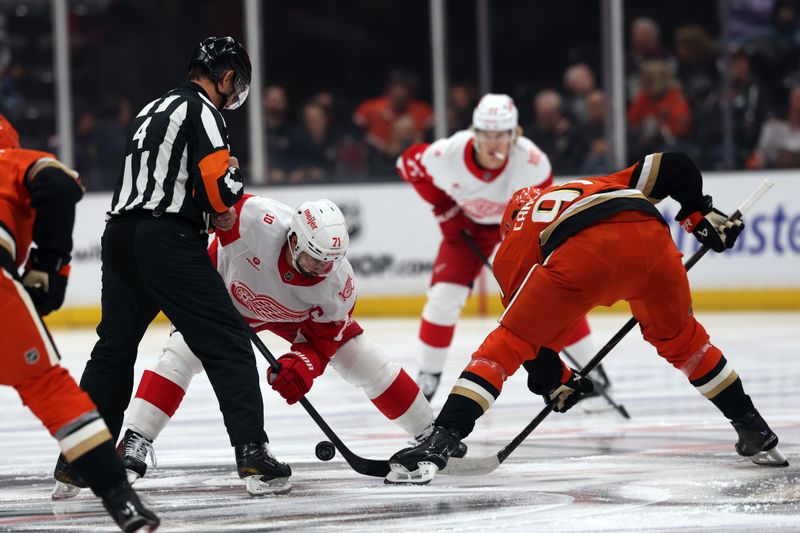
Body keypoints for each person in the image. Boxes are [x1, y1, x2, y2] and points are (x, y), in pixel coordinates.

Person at [387, 151, 788, 484]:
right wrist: (698, 216)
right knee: (686, 344)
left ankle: (442, 438)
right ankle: (754, 430)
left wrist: (557, 381)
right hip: (652, 242)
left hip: (584, 253)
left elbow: (530, 346)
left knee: (503, 345)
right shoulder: (593, 182)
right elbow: (676, 166)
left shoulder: (512, 245)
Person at [52, 37, 290, 498]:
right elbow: (218, 190)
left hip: (119, 235)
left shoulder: (150, 108)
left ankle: (79, 458)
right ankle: (253, 456)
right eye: (233, 84)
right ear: (225, 78)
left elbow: (168, 176)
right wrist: (230, 186)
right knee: (228, 345)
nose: (232, 92)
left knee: (113, 350)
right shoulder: (205, 110)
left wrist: (210, 197)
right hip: (167, 239)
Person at [115, 196, 462, 491]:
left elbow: (323, 340)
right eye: (313, 257)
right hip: (220, 300)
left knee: (364, 359)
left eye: (329, 262)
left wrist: (303, 365)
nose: (319, 269)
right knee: (180, 355)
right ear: (293, 238)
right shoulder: (253, 219)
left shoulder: (338, 283)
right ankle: (134, 440)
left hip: (293, 317)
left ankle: (429, 434)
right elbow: (207, 209)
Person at [0, 114, 159, 531]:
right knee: (50, 389)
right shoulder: (9, 161)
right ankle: (119, 499)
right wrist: (50, 265)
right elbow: (59, 183)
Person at [395, 93, 598, 401]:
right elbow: (407, 163)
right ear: (473, 133)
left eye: (500, 135)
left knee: (550, 295)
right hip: (467, 227)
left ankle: (592, 369)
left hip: (516, 228)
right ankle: (429, 373)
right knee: (443, 298)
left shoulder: (532, 162)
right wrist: (443, 208)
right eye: (485, 134)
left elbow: (541, 215)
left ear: (514, 135)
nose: (492, 143)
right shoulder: (447, 153)